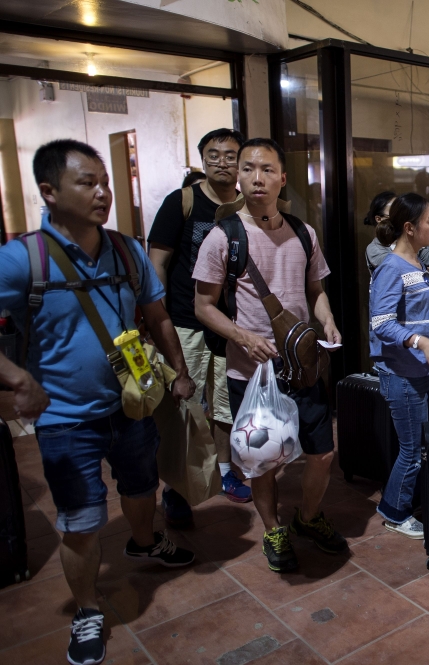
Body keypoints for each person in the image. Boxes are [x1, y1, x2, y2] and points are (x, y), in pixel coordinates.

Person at [0, 139, 197, 665]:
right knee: (82, 521)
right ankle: (88, 609)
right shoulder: (22, 259)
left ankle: (143, 541)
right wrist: (18, 379)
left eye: (104, 181)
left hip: (133, 405)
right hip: (66, 420)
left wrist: (178, 372)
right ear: (49, 191)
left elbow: (155, 316)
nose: (103, 192)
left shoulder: (127, 251)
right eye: (87, 182)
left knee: (140, 487)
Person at [193, 138, 347, 573]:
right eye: (247, 169)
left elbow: (315, 289)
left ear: (282, 177)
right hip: (252, 372)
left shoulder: (303, 232)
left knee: (321, 454)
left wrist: (328, 319)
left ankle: (308, 517)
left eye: (265, 169)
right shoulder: (223, 237)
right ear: (238, 177)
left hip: (303, 367)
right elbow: (202, 306)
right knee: (262, 462)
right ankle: (272, 529)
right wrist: (242, 336)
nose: (256, 178)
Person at [148, 128, 251, 519]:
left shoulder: (248, 206)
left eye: (230, 155)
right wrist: (157, 316)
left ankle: (225, 472)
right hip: (185, 321)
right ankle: (177, 487)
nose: (222, 162)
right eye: (214, 155)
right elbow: (157, 261)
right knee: (184, 407)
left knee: (225, 406)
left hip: (230, 323)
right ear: (202, 159)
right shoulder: (183, 201)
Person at [369, 193, 429, 539]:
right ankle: (394, 511)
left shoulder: (416, 264)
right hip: (400, 374)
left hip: (419, 372)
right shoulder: (391, 267)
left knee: (417, 447)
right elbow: (381, 323)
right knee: (412, 451)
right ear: (409, 227)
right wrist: (421, 342)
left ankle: (405, 501)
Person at [365, 191, 429, 275]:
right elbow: (397, 269)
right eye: (393, 214)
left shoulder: (408, 239)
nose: (399, 217)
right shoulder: (374, 248)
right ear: (379, 219)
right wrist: (427, 268)